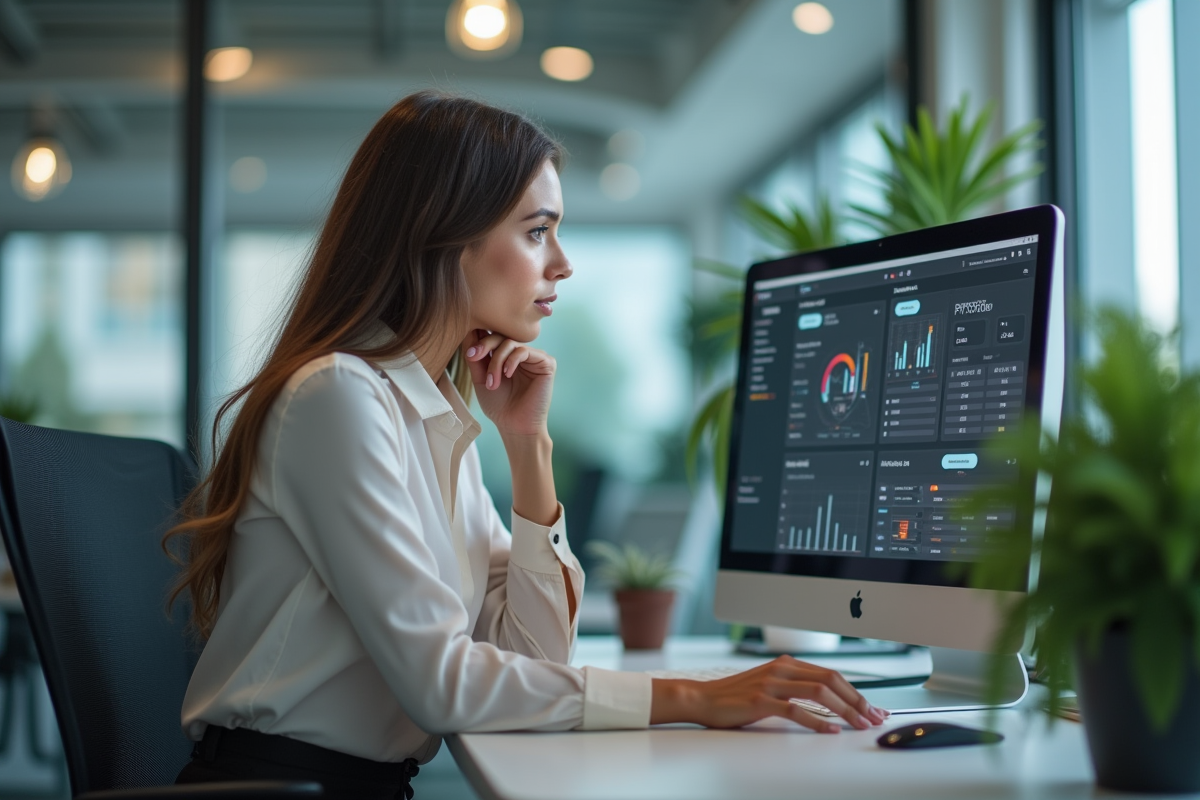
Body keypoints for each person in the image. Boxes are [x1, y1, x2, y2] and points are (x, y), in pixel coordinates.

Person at [166, 91, 888, 800]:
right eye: (537, 231)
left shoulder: (432, 413)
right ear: (443, 236)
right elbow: (440, 684)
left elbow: (532, 657)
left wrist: (526, 445)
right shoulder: (338, 398)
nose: (563, 263)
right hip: (273, 788)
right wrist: (690, 698)